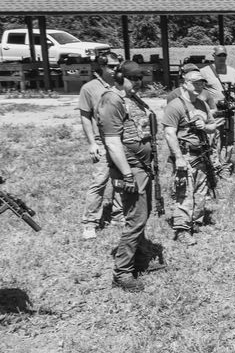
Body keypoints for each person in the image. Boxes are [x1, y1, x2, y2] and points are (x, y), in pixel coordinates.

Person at [96, 61, 164, 292]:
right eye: (133, 78)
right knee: (135, 219)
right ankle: (122, 273)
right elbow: (113, 142)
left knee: (142, 215)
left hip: (142, 167)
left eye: (140, 79)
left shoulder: (130, 97)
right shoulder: (112, 100)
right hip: (131, 169)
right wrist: (126, 174)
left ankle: (140, 259)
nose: (137, 82)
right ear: (119, 77)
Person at [162, 70, 219, 245]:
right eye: (195, 83)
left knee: (201, 192)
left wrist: (206, 127)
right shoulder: (175, 105)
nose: (199, 87)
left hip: (201, 154)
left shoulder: (202, 104)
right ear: (185, 83)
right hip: (185, 154)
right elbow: (169, 133)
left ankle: (195, 222)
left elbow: (212, 126)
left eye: (201, 83)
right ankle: (182, 230)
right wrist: (178, 157)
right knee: (184, 193)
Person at [78, 52, 125, 239]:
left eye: (117, 66)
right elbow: (85, 116)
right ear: (102, 66)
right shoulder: (89, 88)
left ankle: (119, 215)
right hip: (102, 142)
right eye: (111, 66)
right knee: (99, 181)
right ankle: (90, 222)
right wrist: (91, 143)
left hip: (120, 141)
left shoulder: (120, 85)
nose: (115, 70)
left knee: (121, 180)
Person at [199, 45, 235, 171]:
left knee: (228, 141)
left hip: (228, 113)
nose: (222, 58)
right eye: (219, 55)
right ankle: (213, 166)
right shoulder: (204, 72)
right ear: (213, 56)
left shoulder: (233, 72)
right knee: (212, 140)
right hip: (213, 114)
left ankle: (225, 166)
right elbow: (198, 92)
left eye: (224, 55)